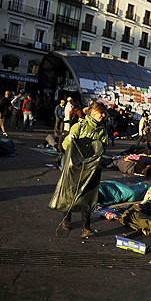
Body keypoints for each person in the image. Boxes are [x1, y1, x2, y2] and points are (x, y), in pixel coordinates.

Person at [59, 101, 108, 238]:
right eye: (101, 112)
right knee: (70, 193)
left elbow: (103, 147)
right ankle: (66, 219)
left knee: (88, 196)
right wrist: (70, 139)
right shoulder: (79, 126)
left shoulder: (102, 130)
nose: (103, 115)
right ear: (92, 112)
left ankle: (86, 227)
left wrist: (101, 146)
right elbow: (64, 144)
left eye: (104, 113)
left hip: (90, 167)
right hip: (74, 165)